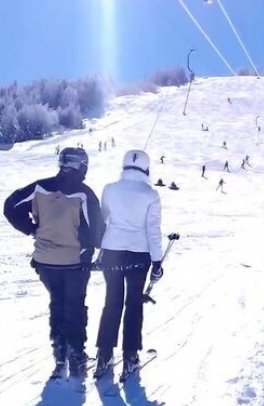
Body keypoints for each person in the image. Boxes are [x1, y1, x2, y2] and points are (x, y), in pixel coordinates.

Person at [3, 147, 103, 381]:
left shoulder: (40, 187)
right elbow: (96, 232)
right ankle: (76, 356)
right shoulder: (84, 194)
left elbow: (11, 206)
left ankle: (60, 356)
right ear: (81, 166)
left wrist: (31, 229)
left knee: (57, 303)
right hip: (74, 262)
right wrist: (92, 248)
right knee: (75, 307)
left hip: (45, 261)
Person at [93, 150, 164, 380]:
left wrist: (98, 249)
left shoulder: (110, 189)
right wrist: (157, 262)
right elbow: (153, 231)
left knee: (112, 302)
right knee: (134, 304)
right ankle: (130, 357)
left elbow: (103, 221)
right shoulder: (151, 195)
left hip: (112, 252)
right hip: (139, 255)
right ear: (146, 168)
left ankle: (104, 355)